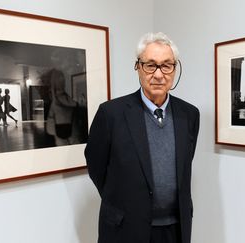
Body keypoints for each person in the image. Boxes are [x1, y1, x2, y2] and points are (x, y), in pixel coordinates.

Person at [84, 32, 200, 243]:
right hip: (126, 227)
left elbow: (184, 166)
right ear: (138, 67)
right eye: (150, 65)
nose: (158, 74)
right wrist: (124, 201)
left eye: (167, 65)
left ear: (175, 69)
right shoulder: (111, 114)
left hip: (176, 228)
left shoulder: (189, 115)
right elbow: (96, 167)